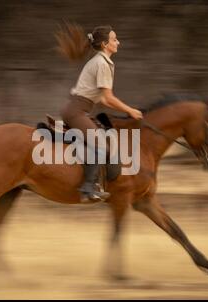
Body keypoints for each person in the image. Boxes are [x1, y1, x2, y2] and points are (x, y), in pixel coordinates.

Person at [57, 23, 143, 203]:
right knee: (102, 144)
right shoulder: (102, 63)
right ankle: (88, 188)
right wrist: (130, 111)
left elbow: (103, 100)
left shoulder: (101, 62)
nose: (118, 42)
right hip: (76, 111)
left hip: (79, 109)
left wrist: (125, 112)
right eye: (114, 39)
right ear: (105, 44)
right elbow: (109, 98)